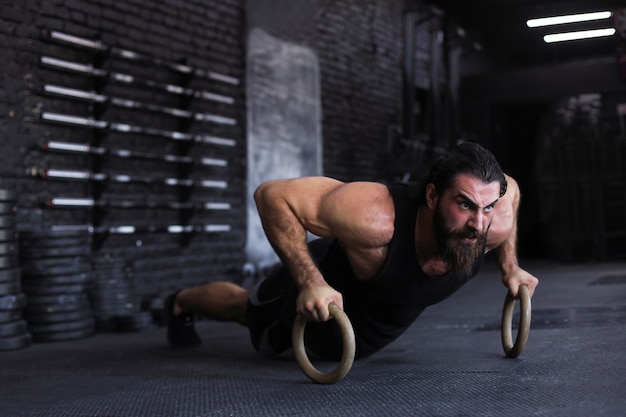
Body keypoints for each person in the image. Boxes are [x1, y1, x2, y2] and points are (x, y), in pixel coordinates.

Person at [164, 142, 539, 359]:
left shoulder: (491, 219)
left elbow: (513, 191)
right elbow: (272, 195)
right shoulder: (374, 217)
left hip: (372, 331)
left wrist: (511, 268)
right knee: (243, 309)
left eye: (487, 207)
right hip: (319, 299)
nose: (477, 222)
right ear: (431, 195)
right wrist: (310, 280)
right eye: (463, 204)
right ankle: (181, 302)